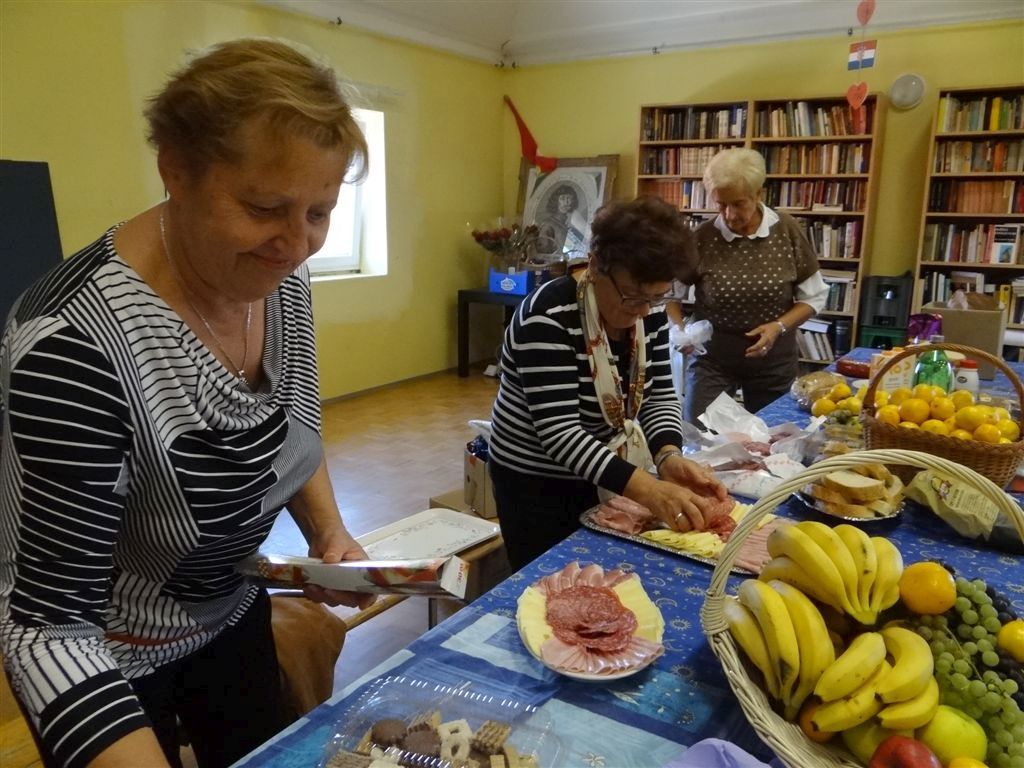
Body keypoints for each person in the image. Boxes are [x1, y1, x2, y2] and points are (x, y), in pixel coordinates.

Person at [0, 39, 373, 768]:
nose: (298, 246)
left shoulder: (273, 276)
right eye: (266, 207)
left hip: (229, 612)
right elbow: (48, 628)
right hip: (111, 660)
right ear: (176, 170)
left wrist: (329, 535)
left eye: (321, 212)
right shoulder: (74, 346)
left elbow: (287, 430)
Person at [488, 196, 729, 571]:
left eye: (657, 297)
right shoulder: (547, 317)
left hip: (601, 467)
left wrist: (668, 455)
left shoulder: (644, 313)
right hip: (535, 482)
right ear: (597, 263)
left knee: (603, 576)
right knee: (546, 582)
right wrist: (646, 488)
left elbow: (659, 392)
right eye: (634, 295)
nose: (645, 310)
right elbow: (560, 433)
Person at [679, 148, 828, 424]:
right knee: (699, 438)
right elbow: (668, 295)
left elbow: (814, 297)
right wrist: (680, 332)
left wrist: (778, 327)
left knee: (774, 441)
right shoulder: (702, 237)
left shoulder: (786, 230)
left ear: (758, 193)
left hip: (774, 363)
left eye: (738, 204)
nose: (729, 215)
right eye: (720, 204)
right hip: (713, 361)